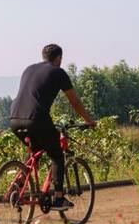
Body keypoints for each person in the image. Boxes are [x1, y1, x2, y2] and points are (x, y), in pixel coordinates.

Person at [9, 44, 95, 211]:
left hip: (14, 119)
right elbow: (75, 102)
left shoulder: (28, 69)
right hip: (36, 119)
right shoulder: (58, 72)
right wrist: (88, 121)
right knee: (56, 154)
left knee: (35, 152)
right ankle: (58, 198)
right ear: (59, 59)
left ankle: (18, 185)